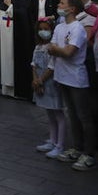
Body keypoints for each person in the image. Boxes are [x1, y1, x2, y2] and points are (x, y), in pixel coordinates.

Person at [50, 0, 97, 170]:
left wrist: (57, 49)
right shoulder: (60, 26)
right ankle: (77, 148)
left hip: (76, 78)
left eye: (62, 3)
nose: (59, 5)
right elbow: (51, 47)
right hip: (62, 76)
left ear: (72, 9)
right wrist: (57, 49)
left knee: (83, 116)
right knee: (72, 114)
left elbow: (69, 52)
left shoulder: (77, 28)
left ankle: (89, 153)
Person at [32, 18, 65, 158]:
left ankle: (60, 145)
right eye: (41, 29)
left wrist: (41, 80)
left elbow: (52, 67)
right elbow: (33, 64)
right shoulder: (38, 47)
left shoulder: (53, 47)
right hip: (40, 82)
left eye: (46, 29)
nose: (43, 32)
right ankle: (52, 139)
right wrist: (35, 79)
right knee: (49, 113)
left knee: (58, 113)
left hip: (50, 83)